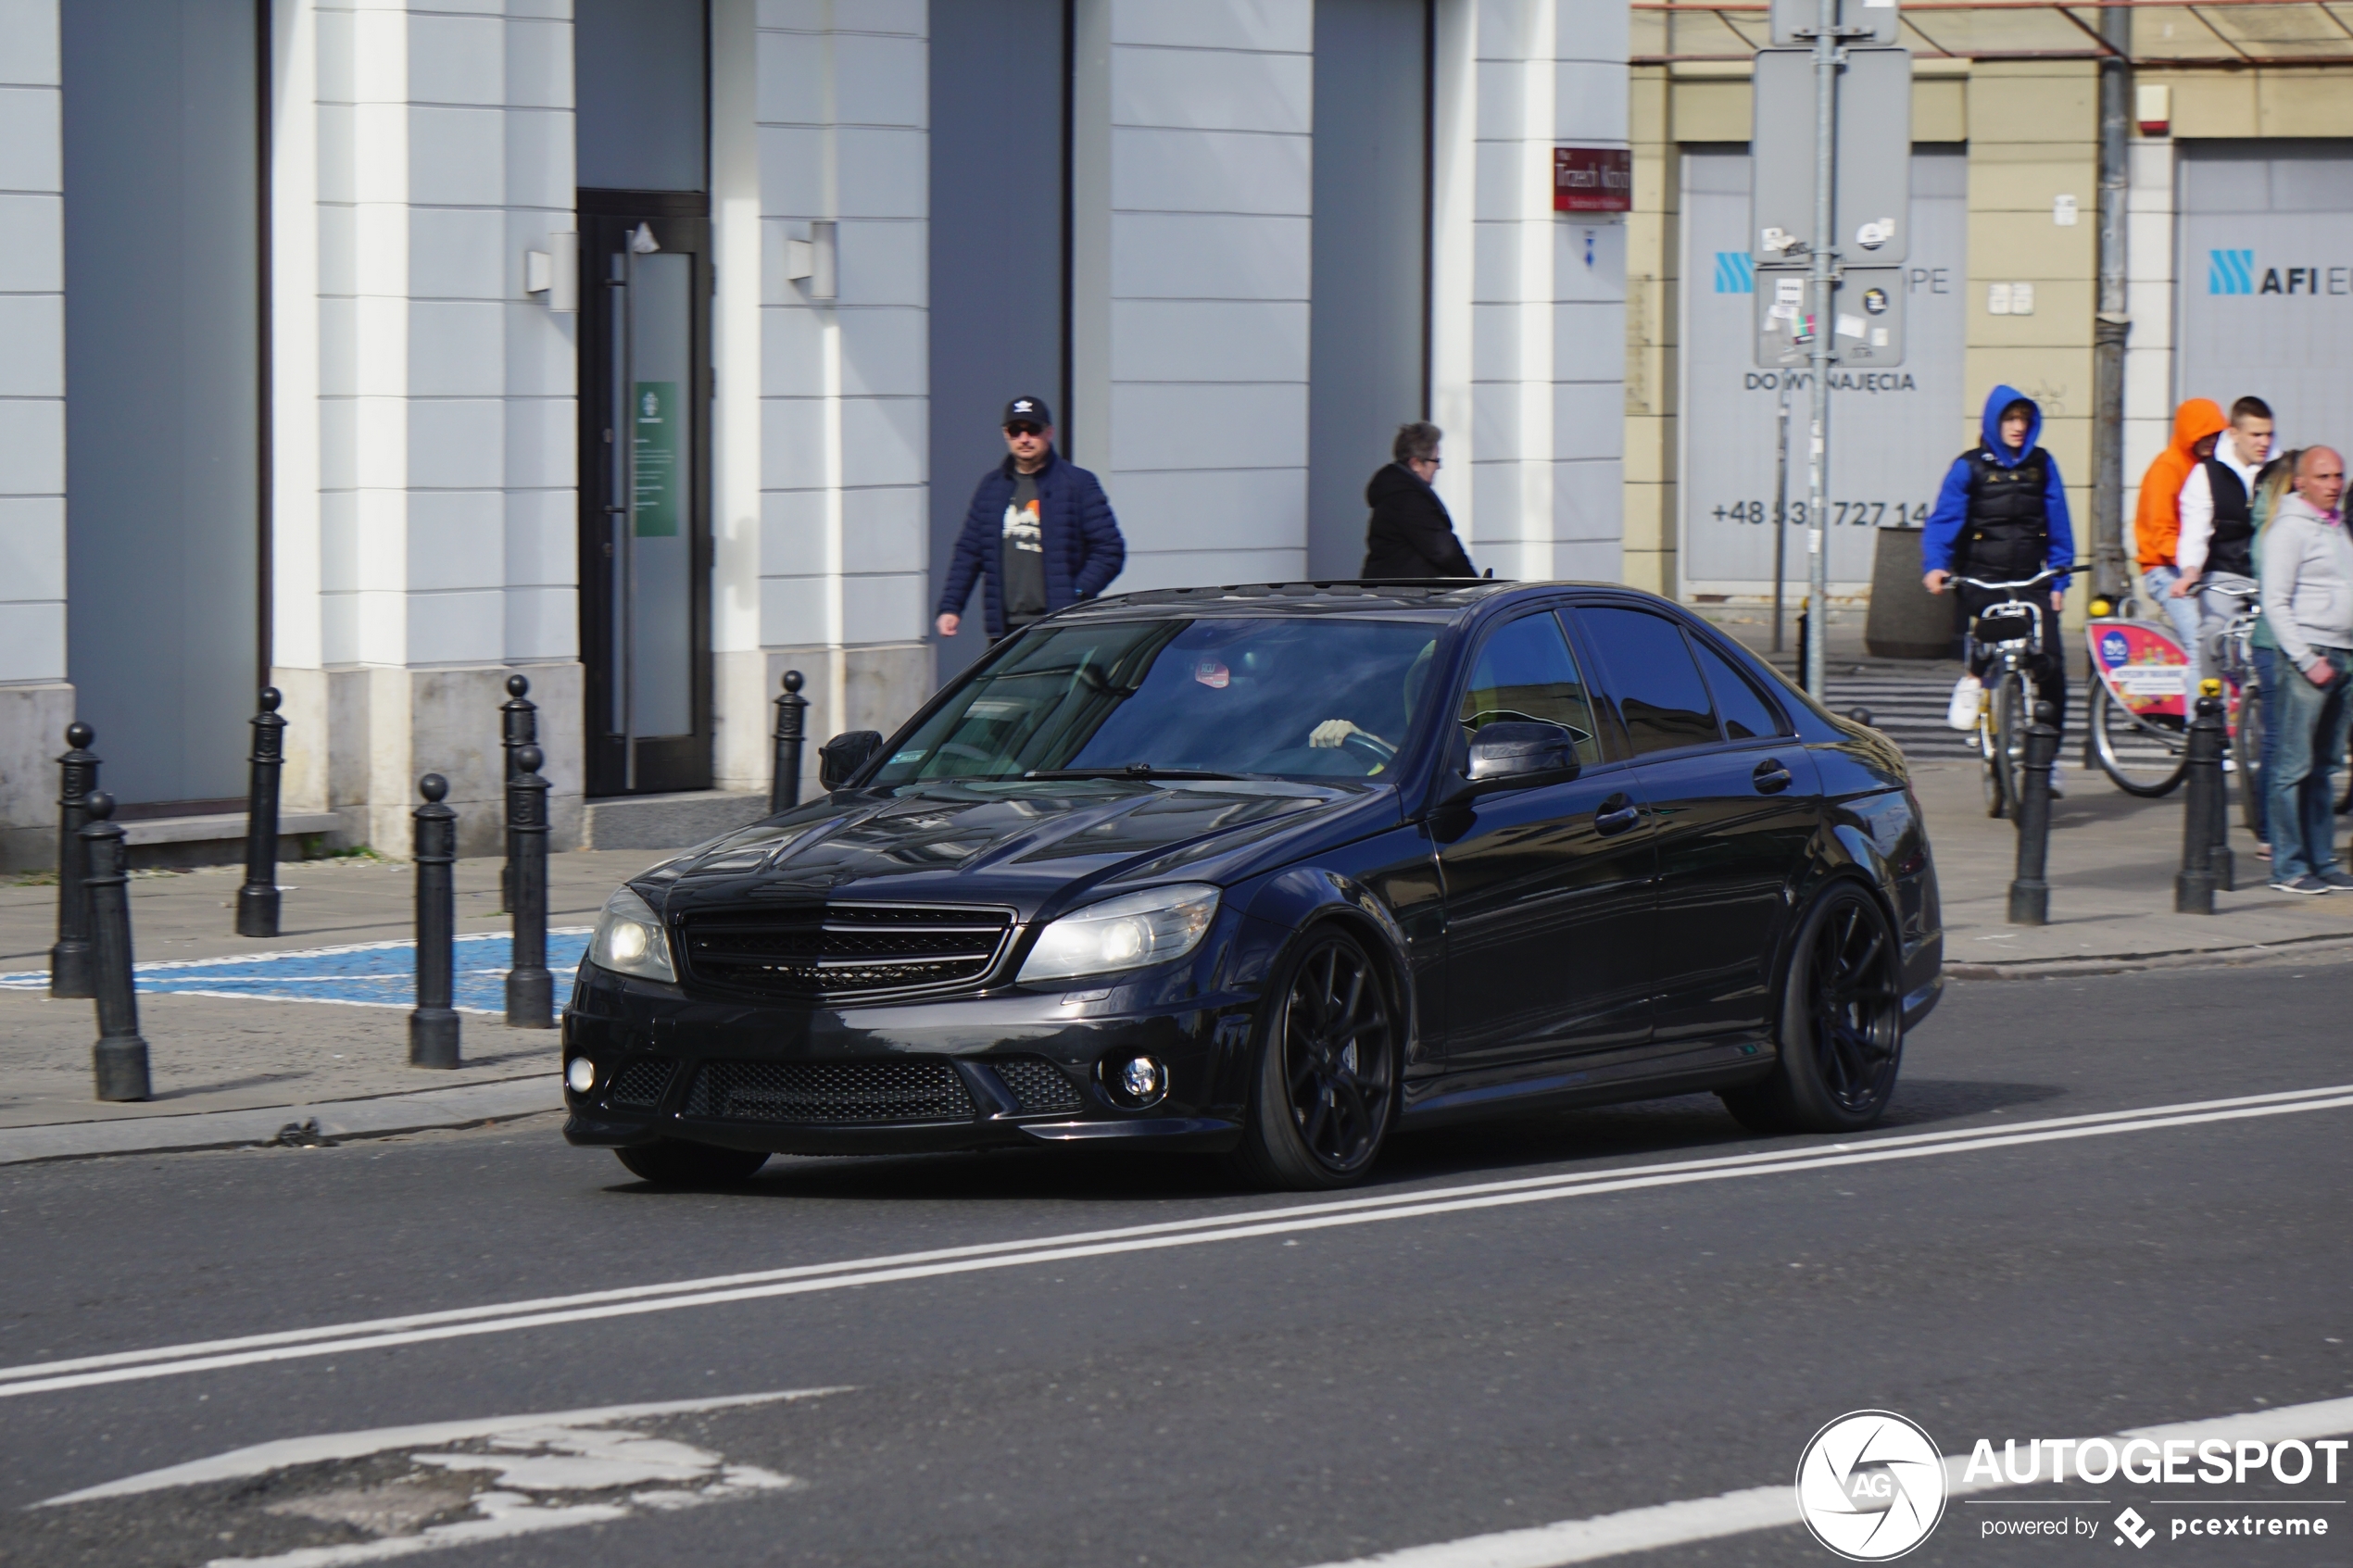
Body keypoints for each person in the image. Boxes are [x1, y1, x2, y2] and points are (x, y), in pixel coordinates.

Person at [1922, 385, 2076, 787]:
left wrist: (2060, 575)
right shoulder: (1968, 467)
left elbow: (2058, 521)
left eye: (2024, 419)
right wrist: (1936, 567)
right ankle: (1974, 679)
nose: (2018, 427)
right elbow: (1944, 521)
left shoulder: (2043, 465)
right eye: (2010, 419)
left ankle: (2049, 759)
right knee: (1988, 636)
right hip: (1983, 575)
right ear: (1993, 422)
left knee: (2052, 665)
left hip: (2031, 578)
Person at [936, 396, 1125, 643]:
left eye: (1032, 430)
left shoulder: (1078, 484)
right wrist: (951, 607)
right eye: (1016, 431)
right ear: (1006, 434)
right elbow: (969, 553)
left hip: (1062, 627)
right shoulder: (991, 487)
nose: (1024, 439)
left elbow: (1110, 550)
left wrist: (1077, 593)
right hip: (1005, 631)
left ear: (1049, 432)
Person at [2258, 445, 2353, 893]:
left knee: (2326, 767)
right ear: (2300, 482)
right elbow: (2275, 602)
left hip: (2345, 654)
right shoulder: (2289, 530)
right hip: (2311, 657)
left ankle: (2322, 859)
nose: (2334, 485)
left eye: (2338, 476)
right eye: (2324, 477)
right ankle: (2289, 866)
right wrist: (2306, 659)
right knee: (2293, 766)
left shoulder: (2337, 528)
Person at [2174, 395, 2273, 681]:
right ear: (2234, 434)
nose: (2263, 442)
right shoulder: (2207, 474)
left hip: (2269, 578)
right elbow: (2195, 529)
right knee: (2212, 631)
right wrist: (2190, 571)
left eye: (2268, 434)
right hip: (2223, 574)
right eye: (2255, 434)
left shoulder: (2279, 473)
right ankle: (2208, 708)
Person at [2134, 397, 2229, 690]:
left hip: (2190, 569)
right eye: (2203, 435)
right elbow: (2162, 532)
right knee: (2199, 641)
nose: (2211, 441)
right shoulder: (2167, 468)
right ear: (2188, 433)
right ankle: (2197, 729)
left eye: (2216, 435)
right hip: (2163, 570)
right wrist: (2191, 563)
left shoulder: (2208, 468)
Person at [2245, 447, 2301, 858]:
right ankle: (2268, 829)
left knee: (2295, 741)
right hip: (2275, 642)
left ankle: (2284, 827)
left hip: (2300, 641)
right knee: (2279, 738)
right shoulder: (2275, 529)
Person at [1361, 422, 1476, 580]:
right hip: (1404, 598)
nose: (1439, 467)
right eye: (1435, 460)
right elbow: (1443, 549)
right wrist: (1476, 584)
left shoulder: (1397, 492)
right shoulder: (1406, 499)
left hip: (1396, 594)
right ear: (1416, 463)